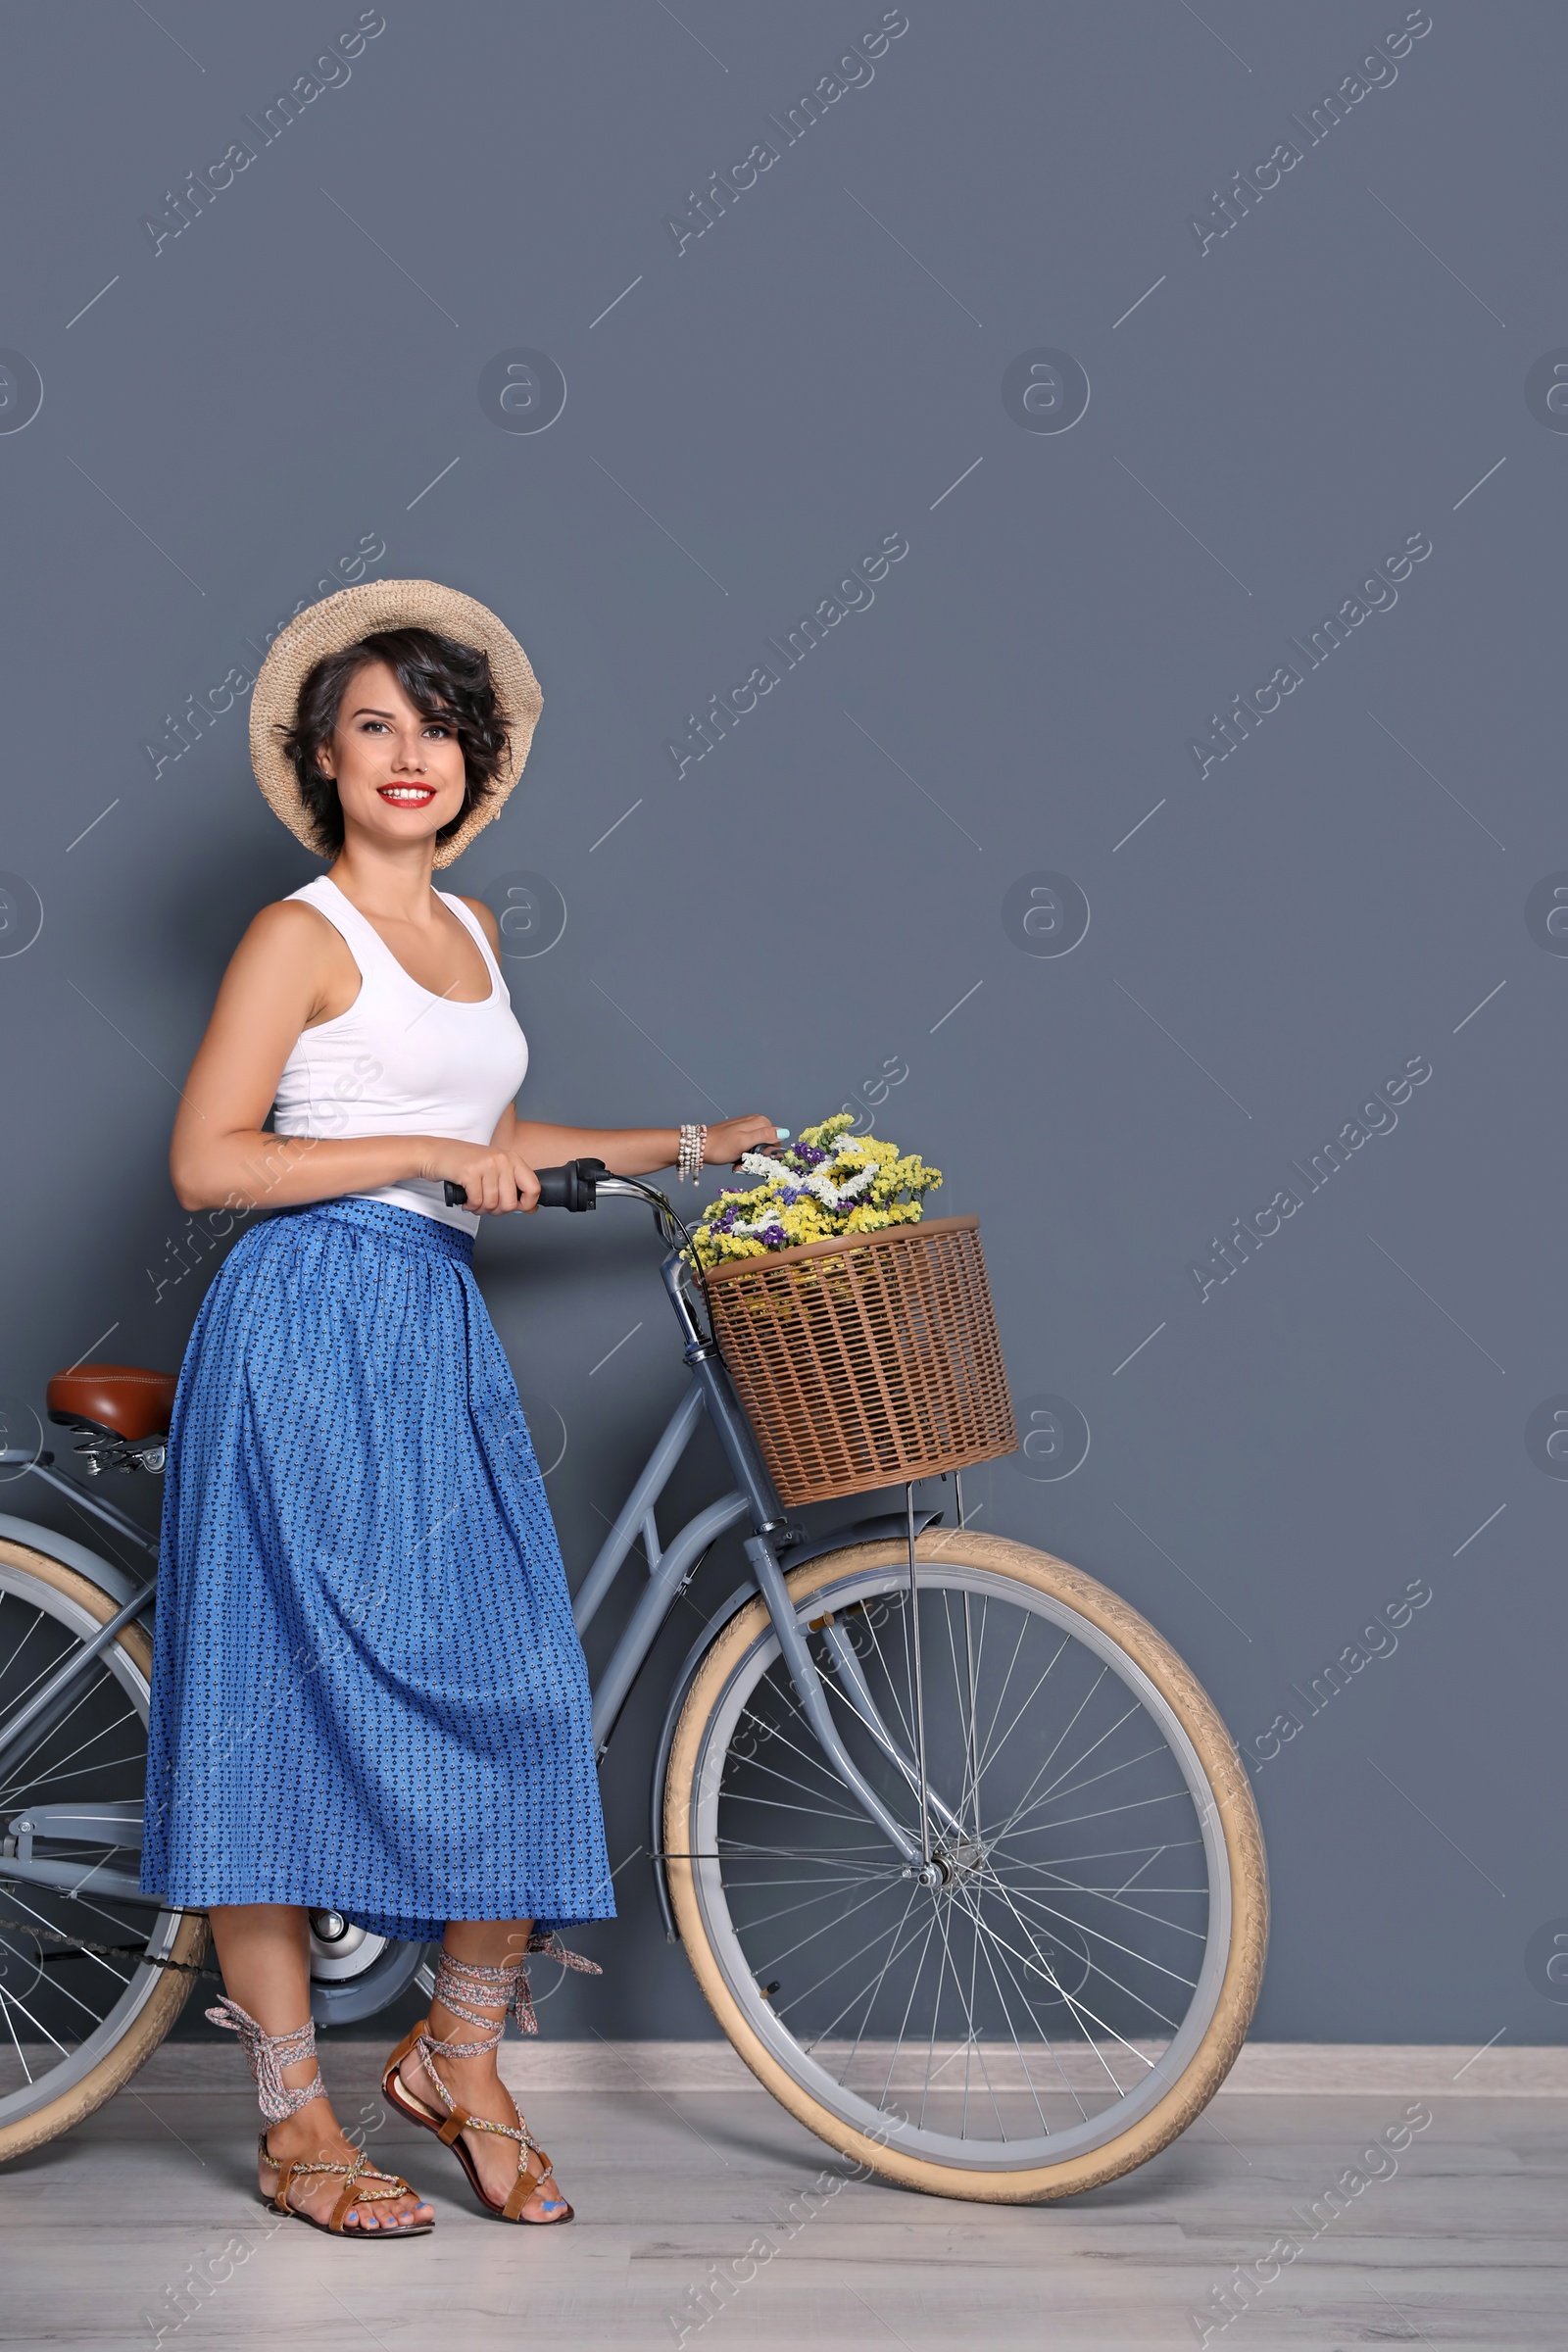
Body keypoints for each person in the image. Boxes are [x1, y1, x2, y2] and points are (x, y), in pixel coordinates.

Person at [140, 580, 778, 2236]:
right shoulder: (299, 933)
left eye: (435, 725)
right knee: (274, 1711)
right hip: (306, 1324)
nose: (408, 753)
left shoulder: (474, 932)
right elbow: (215, 1162)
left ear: (473, 756)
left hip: (429, 1324)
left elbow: (485, 1123)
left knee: (518, 1697)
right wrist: (429, 1157)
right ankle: (293, 2122)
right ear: (323, 758)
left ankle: (458, 2059)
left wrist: (689, 1144)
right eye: (374, 725)